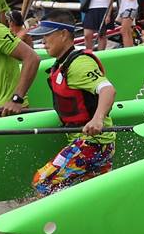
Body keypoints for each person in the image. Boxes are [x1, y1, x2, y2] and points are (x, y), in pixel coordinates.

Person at [31, 18, 116, 196]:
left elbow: (108, 90)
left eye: (47, 36)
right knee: (90, 193)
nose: (43, 42)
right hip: (91, 143)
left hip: (94, 143)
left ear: (64, 34)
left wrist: (97, 119)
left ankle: (51, 221)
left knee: (42, 182)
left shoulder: (80, 64)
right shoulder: (62, 64)